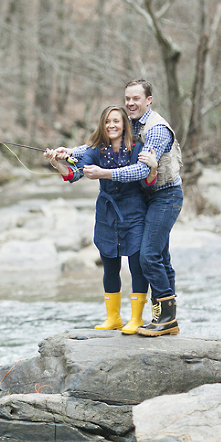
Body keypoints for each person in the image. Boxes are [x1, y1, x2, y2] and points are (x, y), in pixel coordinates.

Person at [54, 79, 184, 337]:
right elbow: (95, 146)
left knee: (148, 256)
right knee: (161, 257)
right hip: (145, 196)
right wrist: (69, 152)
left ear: (149, 100)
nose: (131, 103)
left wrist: (105, 173)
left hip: (164, 195)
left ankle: (166, 318)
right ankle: (166, 318)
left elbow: (142, 169)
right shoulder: (130, 122)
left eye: (136, 98)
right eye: (128, 98)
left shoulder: (156, 129)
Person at [45, 105, 158, 334]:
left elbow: (147, 180)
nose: (112, 126)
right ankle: (113, 318)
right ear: (102, 126)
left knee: (137, 267)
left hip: (134, 212)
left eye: (116, 121)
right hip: (107, 214)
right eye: (107, 122)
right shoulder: (96, 149)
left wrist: (153, 169)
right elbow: (74, 174)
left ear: (125, 124)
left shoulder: (138, 148)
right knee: (109, 267)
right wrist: (58, 162)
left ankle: (136, 318)